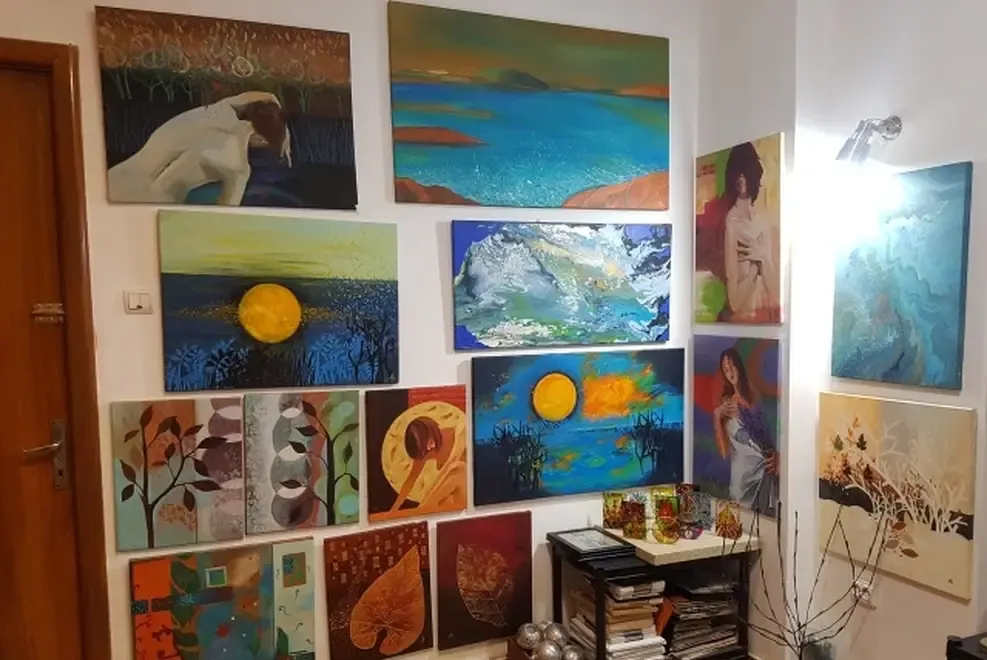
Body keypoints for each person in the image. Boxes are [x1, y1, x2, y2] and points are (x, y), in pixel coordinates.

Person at [107, 90, 292, 205]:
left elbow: (264, 97)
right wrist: (280, 136)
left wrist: (280, 127)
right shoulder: (238, 168)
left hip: (116, 181)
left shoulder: (215, 112)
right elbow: (224, 219)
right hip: (152, 207)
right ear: (262, 139)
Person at [713, 348, 779, 513]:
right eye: (726, 369)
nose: (730, 372)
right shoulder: (727, 404)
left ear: (740, 367)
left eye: (732, 366)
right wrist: (717, 416)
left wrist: (777, 455)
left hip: (764, 469)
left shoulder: (755, 396)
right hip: (742, 476)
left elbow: (767, 433)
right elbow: (724, 452)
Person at [721, 143, 780, 322]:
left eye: (745, 172)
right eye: (737, 173)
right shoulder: (732, 223)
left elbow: (776, 291)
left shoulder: (763, 220)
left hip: (767, 320)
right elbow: (734, 302)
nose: (741, 179)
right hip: (742, 320)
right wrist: (755, 269)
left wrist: (763, 257)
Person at [389, 415, 466, 513]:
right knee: (444, 502)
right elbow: (411, 479)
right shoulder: (423, 450)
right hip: (459, 499)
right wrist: (393, 510)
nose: (430, 448)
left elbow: (448, 469)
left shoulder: (460, 432)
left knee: (457, 469)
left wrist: (423, 505)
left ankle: (420, 512)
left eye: (430, 444)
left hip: (475, 489)